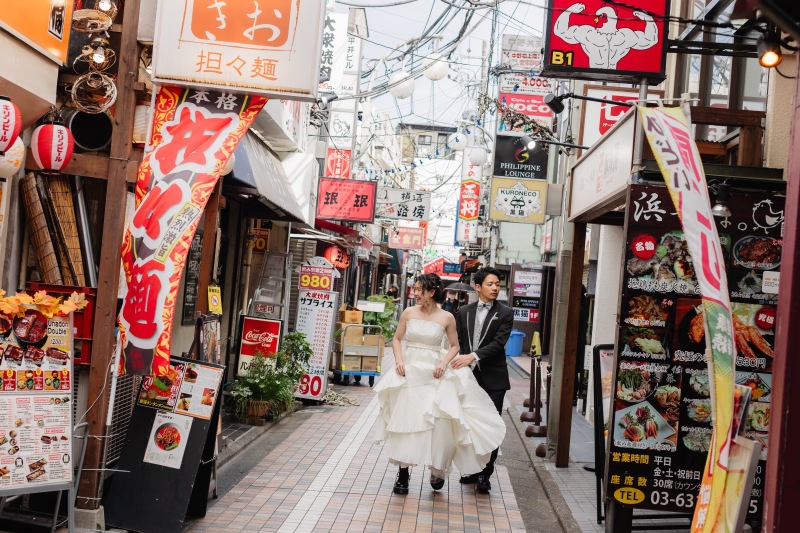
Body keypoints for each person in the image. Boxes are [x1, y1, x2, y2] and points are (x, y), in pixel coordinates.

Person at [374, 273, 506, 495]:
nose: (415, 293)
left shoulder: (447, 317)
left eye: (419, 290)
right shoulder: (408, 312)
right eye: (414, 289)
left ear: (431, 292)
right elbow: (397, 339)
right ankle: (403, 473)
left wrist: (444, 363)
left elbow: (454, 345)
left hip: (435, 372)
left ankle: (438, 470)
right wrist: (398, 360)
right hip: (410, 371)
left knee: (439, 423)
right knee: (408, 420)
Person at [450, 267, 514, 493]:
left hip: (494, 379)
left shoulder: (505, 313)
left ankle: (486, 473)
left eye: (498, 284)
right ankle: (474, 469)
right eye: (490, 284)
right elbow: (457, 342)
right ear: (478, 287)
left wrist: (473, 356)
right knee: (470, 426)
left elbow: (498, 344)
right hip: (468, 379)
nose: (495, 287)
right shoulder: (464, 311)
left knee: (491, 425)